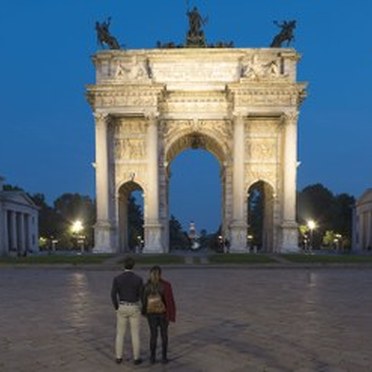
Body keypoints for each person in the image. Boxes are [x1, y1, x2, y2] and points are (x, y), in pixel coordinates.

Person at [111, 256, 143, 365]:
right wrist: (141, 306)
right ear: (133, 266)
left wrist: (116, 306)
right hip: (134, 306)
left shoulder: (117, 278)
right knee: (135, 334)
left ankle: (119, 357)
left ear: (124, 265)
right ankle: (136, 357)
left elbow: (113, 294)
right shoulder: (138, 279)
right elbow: (141, 295)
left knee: (120, 333)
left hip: (122, 305)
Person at [142, 266, 176, 364]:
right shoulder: (166, 285)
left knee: (153, 335)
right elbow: (170, 301)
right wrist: (170, 315)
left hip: (151, 314)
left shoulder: (146, 286)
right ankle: (164, 358)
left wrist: (144, 312)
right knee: (164, 335)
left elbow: (144, 300)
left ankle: (152, 358)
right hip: (163, 314)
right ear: (160, 274)